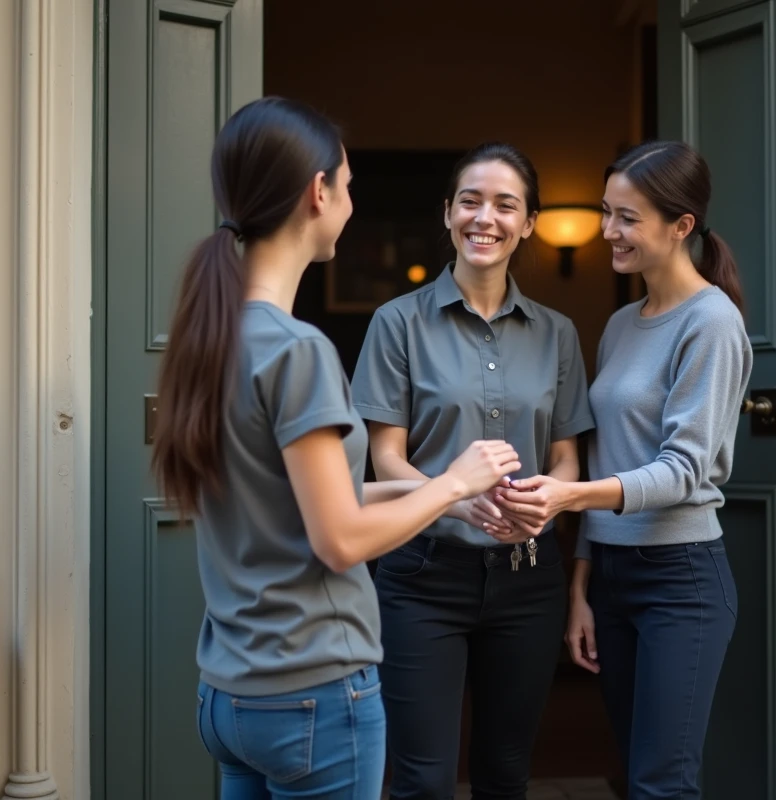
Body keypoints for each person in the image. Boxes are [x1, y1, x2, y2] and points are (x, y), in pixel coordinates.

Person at [150, 97, 521, 800]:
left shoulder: (213, 337)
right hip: (312, 695)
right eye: (348, 187)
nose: (350, 205)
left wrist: (447, 491)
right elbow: (342, 538)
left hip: (229, 697)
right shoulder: (297, 349)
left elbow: (313, 500)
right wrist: (453, 484)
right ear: (317, 193)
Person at [491, 140, 753, 800]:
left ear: (681, 226)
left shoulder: (712, 322)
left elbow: (684, 470)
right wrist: (583, 587)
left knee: (662, 784)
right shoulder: (619, 325)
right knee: (634, 775)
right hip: (612, 579)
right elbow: (609, 455)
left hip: (680, 581)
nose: (609, 231)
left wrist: (569, 496)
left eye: (627, 217)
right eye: (607, 213)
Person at [349, 141, 595, 800]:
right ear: (449, 213)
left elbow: (567, 454)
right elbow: (385, 457)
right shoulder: (396, 323)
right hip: (423, 574)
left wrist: (552, 499)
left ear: (529, 222)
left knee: (505, 775)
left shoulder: (558, 333)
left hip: (528, 581)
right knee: (423, 781)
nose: (484, 218)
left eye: (504, 204)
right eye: (470, 201)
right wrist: (453, 499)